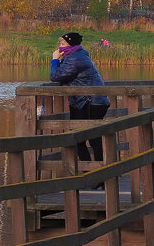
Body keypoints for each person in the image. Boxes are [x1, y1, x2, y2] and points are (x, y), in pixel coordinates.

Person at [47, 31, 110, 161]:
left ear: (70, 44)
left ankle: (92, 174)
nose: (60, 47)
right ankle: (97, 175)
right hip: (92, 101)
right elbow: (64, 74)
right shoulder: (78, 55)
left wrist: (54, 59)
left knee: (80, 138)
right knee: (91, 138)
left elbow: (56, 76)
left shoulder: (75, 58)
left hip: (88, 102)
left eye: (63, 43)